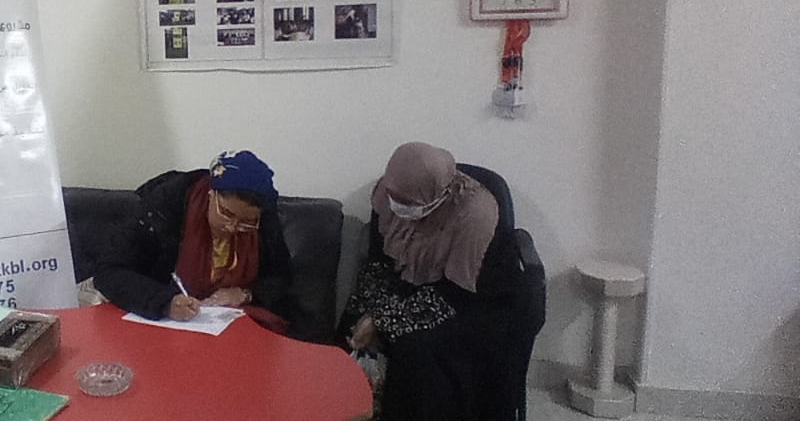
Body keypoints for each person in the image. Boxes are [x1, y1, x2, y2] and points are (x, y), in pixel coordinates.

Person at [338, 141, 533, 420]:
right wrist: (369, 312)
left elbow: (456, 292)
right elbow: (378, 262)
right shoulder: (388, 193)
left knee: (413, 346)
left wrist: (382, 320)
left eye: (408, 203)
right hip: (409, 284)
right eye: (395, 197)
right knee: (351, 320)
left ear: (436, 196)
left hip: (474, 300)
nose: (398, 206)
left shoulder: (474, 214)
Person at [95, 150, 291, 333]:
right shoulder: (166, 206)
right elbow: (109, 272)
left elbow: (282, 277)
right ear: (211, 194)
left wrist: (245, 293)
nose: (232, 227)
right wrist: (165, 303)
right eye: (226, 214)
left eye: (245, 223)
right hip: (165, 326)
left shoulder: (262, 219)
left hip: (233, 325)